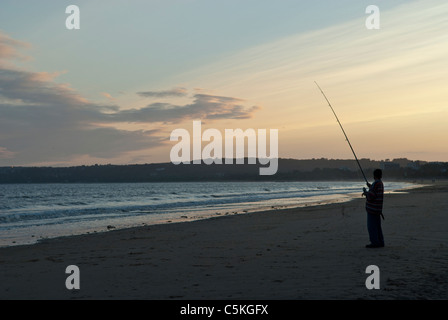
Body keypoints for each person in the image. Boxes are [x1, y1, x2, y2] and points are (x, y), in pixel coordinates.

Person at [362, 169, 384, 248]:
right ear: (380, 175)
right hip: (378, 209)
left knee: (371, 227)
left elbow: (371, 196)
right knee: (377, 226)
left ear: (374, 176)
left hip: (372, 209)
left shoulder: (376, 183)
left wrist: (365, 193)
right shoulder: (380, 183)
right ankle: (380, 242)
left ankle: (375, 242)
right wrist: (370, 186)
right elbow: (375, 191)